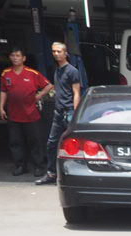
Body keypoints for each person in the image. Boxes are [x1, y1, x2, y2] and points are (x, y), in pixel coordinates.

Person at [33, 42, 81, 185]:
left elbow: (76, 93)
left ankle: (74, 176)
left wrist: (75, 114)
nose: (56, 54)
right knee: (51, 144)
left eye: (59, 51)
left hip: (69, 112)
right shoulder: (56, 70)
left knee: (73, 146)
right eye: (54, 51)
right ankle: (51, 173)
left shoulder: (72, 71)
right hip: (58, 113)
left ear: (66, 53)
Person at [0, 48, 50, 177]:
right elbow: (3, 91)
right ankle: (20, 166)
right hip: (14, 115)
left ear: (23, 58)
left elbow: (49, 85)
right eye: (12, 55)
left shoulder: (32, 73)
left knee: (35, 142)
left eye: (18, 55)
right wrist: (1, 107)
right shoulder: (6, 73)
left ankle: (39, 166)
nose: (15, 58)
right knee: (16, 142)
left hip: (31, 114)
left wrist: (39, 95)